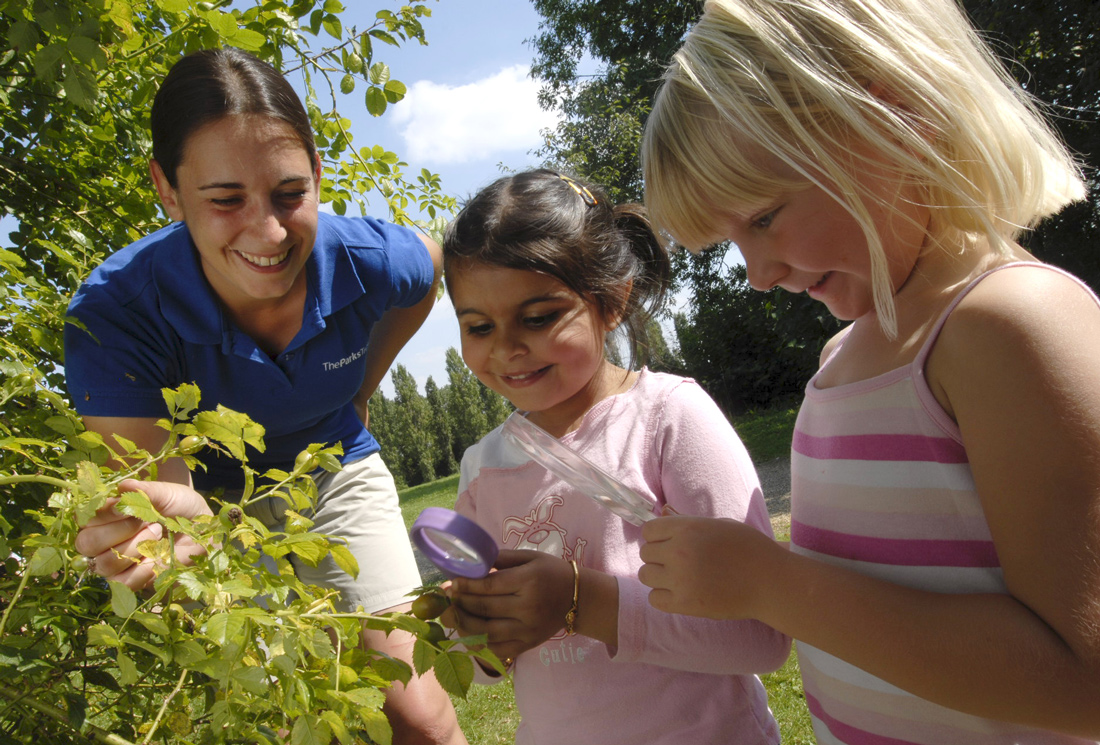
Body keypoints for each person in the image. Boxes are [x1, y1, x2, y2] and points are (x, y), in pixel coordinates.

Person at [637, 0, 1100, 742]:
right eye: (732, 240)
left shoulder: (1010, 324)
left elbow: (1086, 679)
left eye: (762, 217)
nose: (757, 272)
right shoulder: (840, 360)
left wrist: (769, 582)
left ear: (892, 117)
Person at [65, 47, 465, 744]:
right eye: (225, 200)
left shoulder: (372, 260)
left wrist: (365, 384)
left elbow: (429, 267)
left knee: (418, 712)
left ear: (317, 169)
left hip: (334, 464)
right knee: (295, 718)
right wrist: (171, 535)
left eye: (289, 193)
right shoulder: (115, 312)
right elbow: (167, 506)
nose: (270, 233)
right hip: (216, 500)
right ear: (167, 187)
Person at [439, 168, 791, 744]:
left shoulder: (669, 420)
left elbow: (761, 634)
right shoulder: (483, 470)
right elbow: (484, 666)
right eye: (478, 326)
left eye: (539, 317)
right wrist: (475, 628)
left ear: (612, 301)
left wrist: (581, 602)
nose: (506, 347)